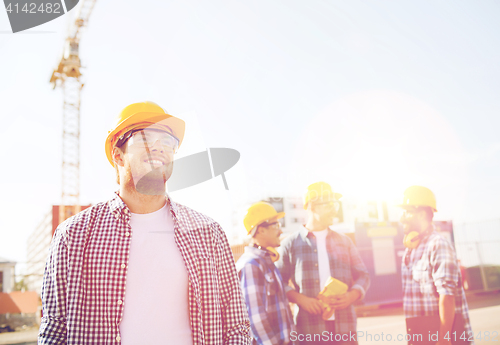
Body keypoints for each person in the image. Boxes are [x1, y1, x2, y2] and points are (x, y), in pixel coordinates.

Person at [38, 101, 251, 345]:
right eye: (146, 138)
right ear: (118, 155)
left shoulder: (209, 233)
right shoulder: (73, 236)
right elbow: (54, 329)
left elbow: (236, 326)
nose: (160, 148)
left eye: (168, 142)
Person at [277, 182, 370, 345]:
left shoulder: (345, 242)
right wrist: (300, 299)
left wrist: (352, 295)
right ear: (312, 206)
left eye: (335, 204)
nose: (334, 209)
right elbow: (279, 283)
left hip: (345, 327)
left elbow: (363, 275)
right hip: (309, 330)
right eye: (329, 204)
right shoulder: (290, 244)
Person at [399, 186, 474, 345]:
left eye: (406, 212)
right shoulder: (410, 250)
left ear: (420, 215)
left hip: (443, 337)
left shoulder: (438, 245)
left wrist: (444, 339)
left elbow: (446, 295)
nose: (401, 218)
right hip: (421, 334)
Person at [236, 202, 294, 345]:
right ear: (261, 230)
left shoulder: (266, 262)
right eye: (276, 225)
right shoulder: (251, 265)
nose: (280, 231)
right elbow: (255, 317)